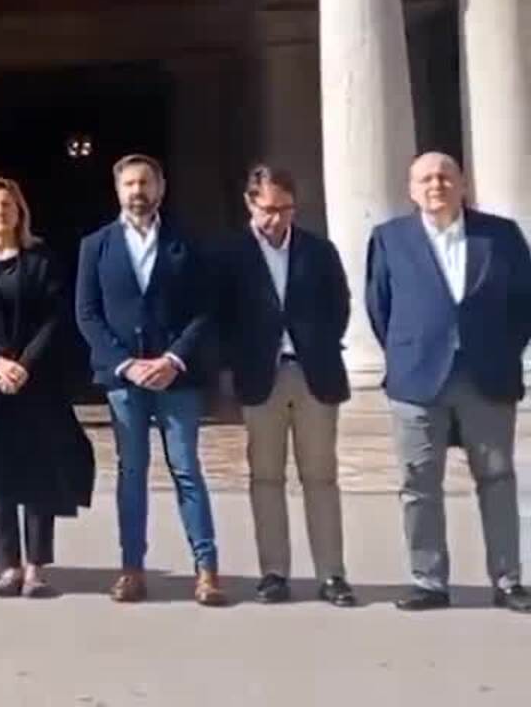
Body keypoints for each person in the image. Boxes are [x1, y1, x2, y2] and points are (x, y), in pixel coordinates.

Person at [367, 152, 531, 614]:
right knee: (418, 482)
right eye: (425, 178)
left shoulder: (500, 236)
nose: (436, 184)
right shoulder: (390, 239)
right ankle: (428, 580)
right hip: (418, 378)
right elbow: (380, 307)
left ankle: (508, 580)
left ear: (462, 184)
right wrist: (411, 351)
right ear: (411, 189)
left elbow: (524, 304)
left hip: (486, 375)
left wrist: (500, 350)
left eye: (445, 176)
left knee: (497, 478)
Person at [76, 154, 225, 606]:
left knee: (186, 471)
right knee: (131, 474)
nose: (137, 192)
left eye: (145, 183)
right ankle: (131, 569)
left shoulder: (188, 243)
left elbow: (204, 310)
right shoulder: (95, 246)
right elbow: (87, 313)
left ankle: (207, 570)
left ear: (160, 188)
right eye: (129, 185)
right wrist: (126, 364)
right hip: (124, 382)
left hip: (176, 379)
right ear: (117, 190)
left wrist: (173, 359)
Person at [0, 179, 94, 600]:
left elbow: (54, 317)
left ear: (20, 212)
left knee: (38, 476)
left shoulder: (41, 259)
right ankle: (8, 565)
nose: (0, 212)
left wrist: (24, 364)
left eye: (7, 204)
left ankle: (36, 568)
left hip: (37, 382)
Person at [218, 165, 356, 607]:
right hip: (262, 375)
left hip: (313, 372)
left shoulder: (319, 251)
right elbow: (220, 316)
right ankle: (274, 571)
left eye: (285, 209)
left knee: (320, 476)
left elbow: (340, 303)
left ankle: (332, 574)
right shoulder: (231, 254)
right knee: (266, 477)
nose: (276, 218)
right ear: (250, 203)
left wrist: (319, 343)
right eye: (268, 209)